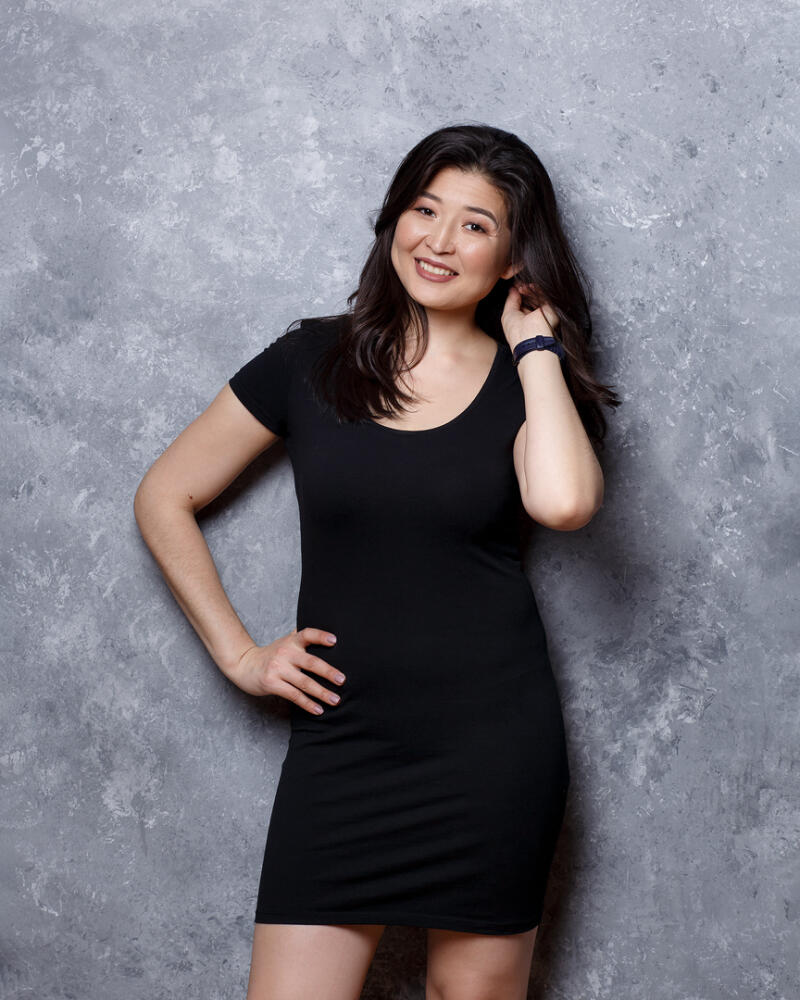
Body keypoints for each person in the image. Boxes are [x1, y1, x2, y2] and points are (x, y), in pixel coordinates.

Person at [134, 122, 620, 1000]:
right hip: (344, 749)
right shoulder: (310, 359)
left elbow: (564, 503)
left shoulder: (527, 385)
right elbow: (166, 493)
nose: (438, 240)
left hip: (491, 754)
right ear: (394, 214)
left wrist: (537, 345)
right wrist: (241, 655)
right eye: (424, 208)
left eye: (476, 223)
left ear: (514, 254)